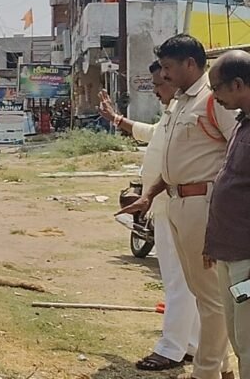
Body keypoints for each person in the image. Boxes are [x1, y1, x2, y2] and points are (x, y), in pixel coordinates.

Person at [119, 34, 237, 379]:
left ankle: (206, 371)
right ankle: (222, 367)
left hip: (204, 204)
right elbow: (173, 159)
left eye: (168, 67)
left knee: (211, 298)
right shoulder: (182, 101)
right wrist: (149, 194)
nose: (164, 74)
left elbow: (237, 153)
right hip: (175, 202)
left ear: (190, 63)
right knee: (198, 292)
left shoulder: (213, 99)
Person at [101, 61, 200, 370]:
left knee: (178, 280)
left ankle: (171, 348)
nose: (156, 90)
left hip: (181, 204)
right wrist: (117, 119)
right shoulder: (176, 110)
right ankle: (191, 344)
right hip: (168, 204)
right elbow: (153, 134)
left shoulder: (197, 106)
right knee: (185, 281)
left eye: (161, 82)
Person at [204, 50, 250, 379]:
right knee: (238, 337)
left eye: (216, 88)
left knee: (249, 342)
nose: (214, 97)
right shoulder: (241, 123)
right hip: (229, 253)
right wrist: (212, 242)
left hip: (247, 259)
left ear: (237, 84)